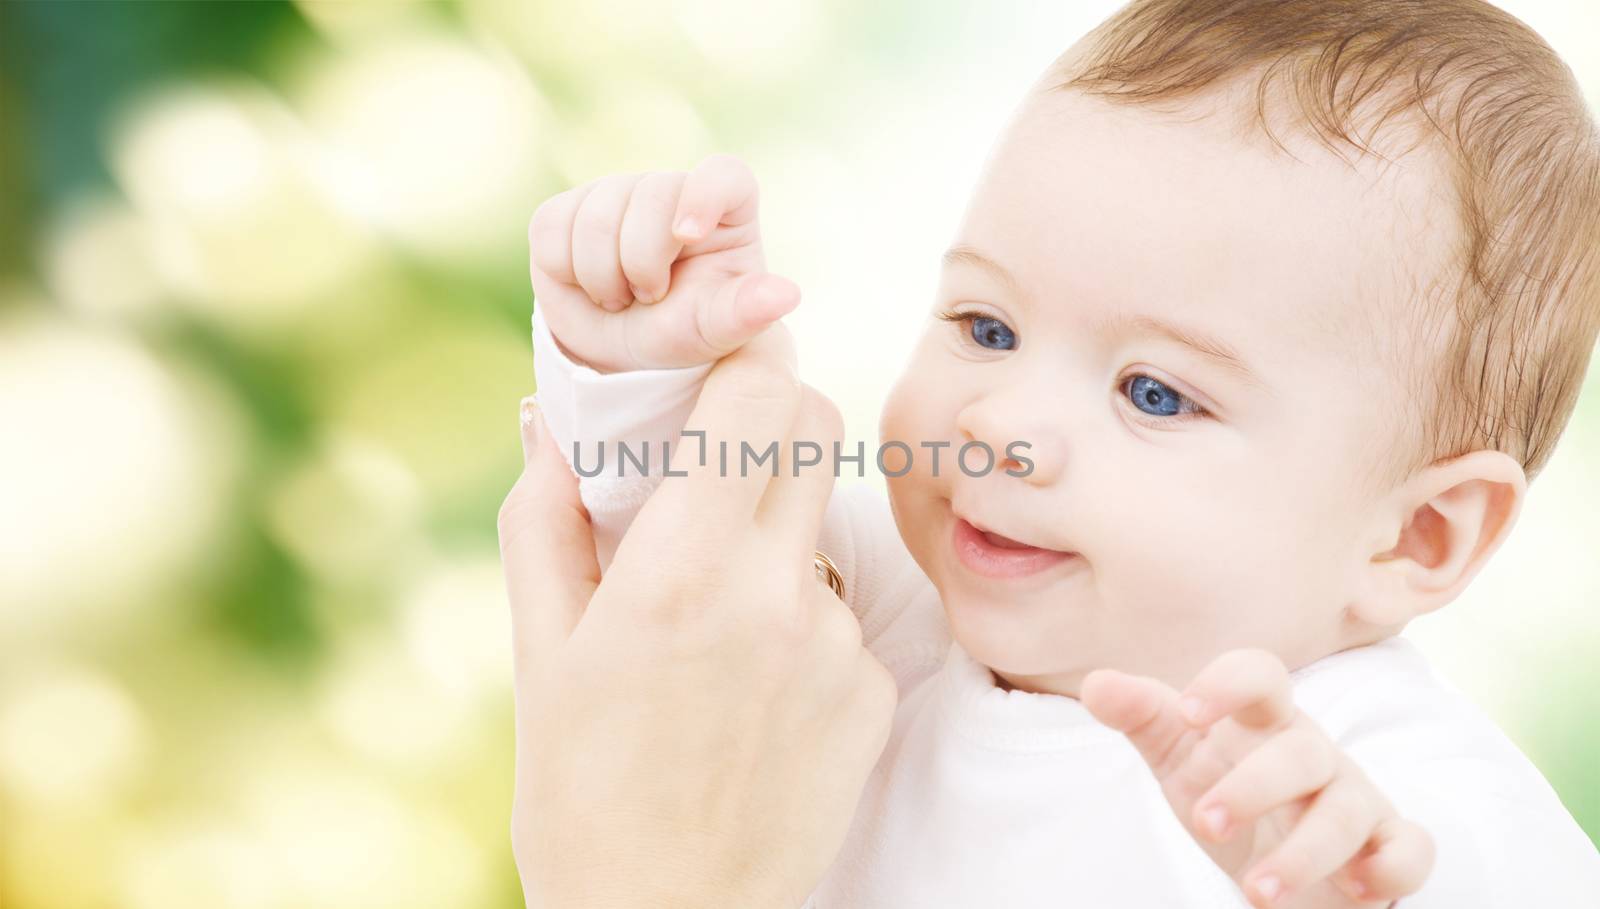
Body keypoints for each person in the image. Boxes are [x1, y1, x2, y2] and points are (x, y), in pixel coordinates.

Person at [523, 1, 1600, 905]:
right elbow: (675, 571)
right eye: (986, 327)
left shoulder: (1375, 791)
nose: (998, 428)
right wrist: (641, 367)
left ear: (1413, 536)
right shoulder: (893, 610)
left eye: (1154, 393)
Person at [497, 324, 897, 908]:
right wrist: (641, 367)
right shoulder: (887, 575)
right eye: (990, 332)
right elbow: (663, 541)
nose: (1014, 426)